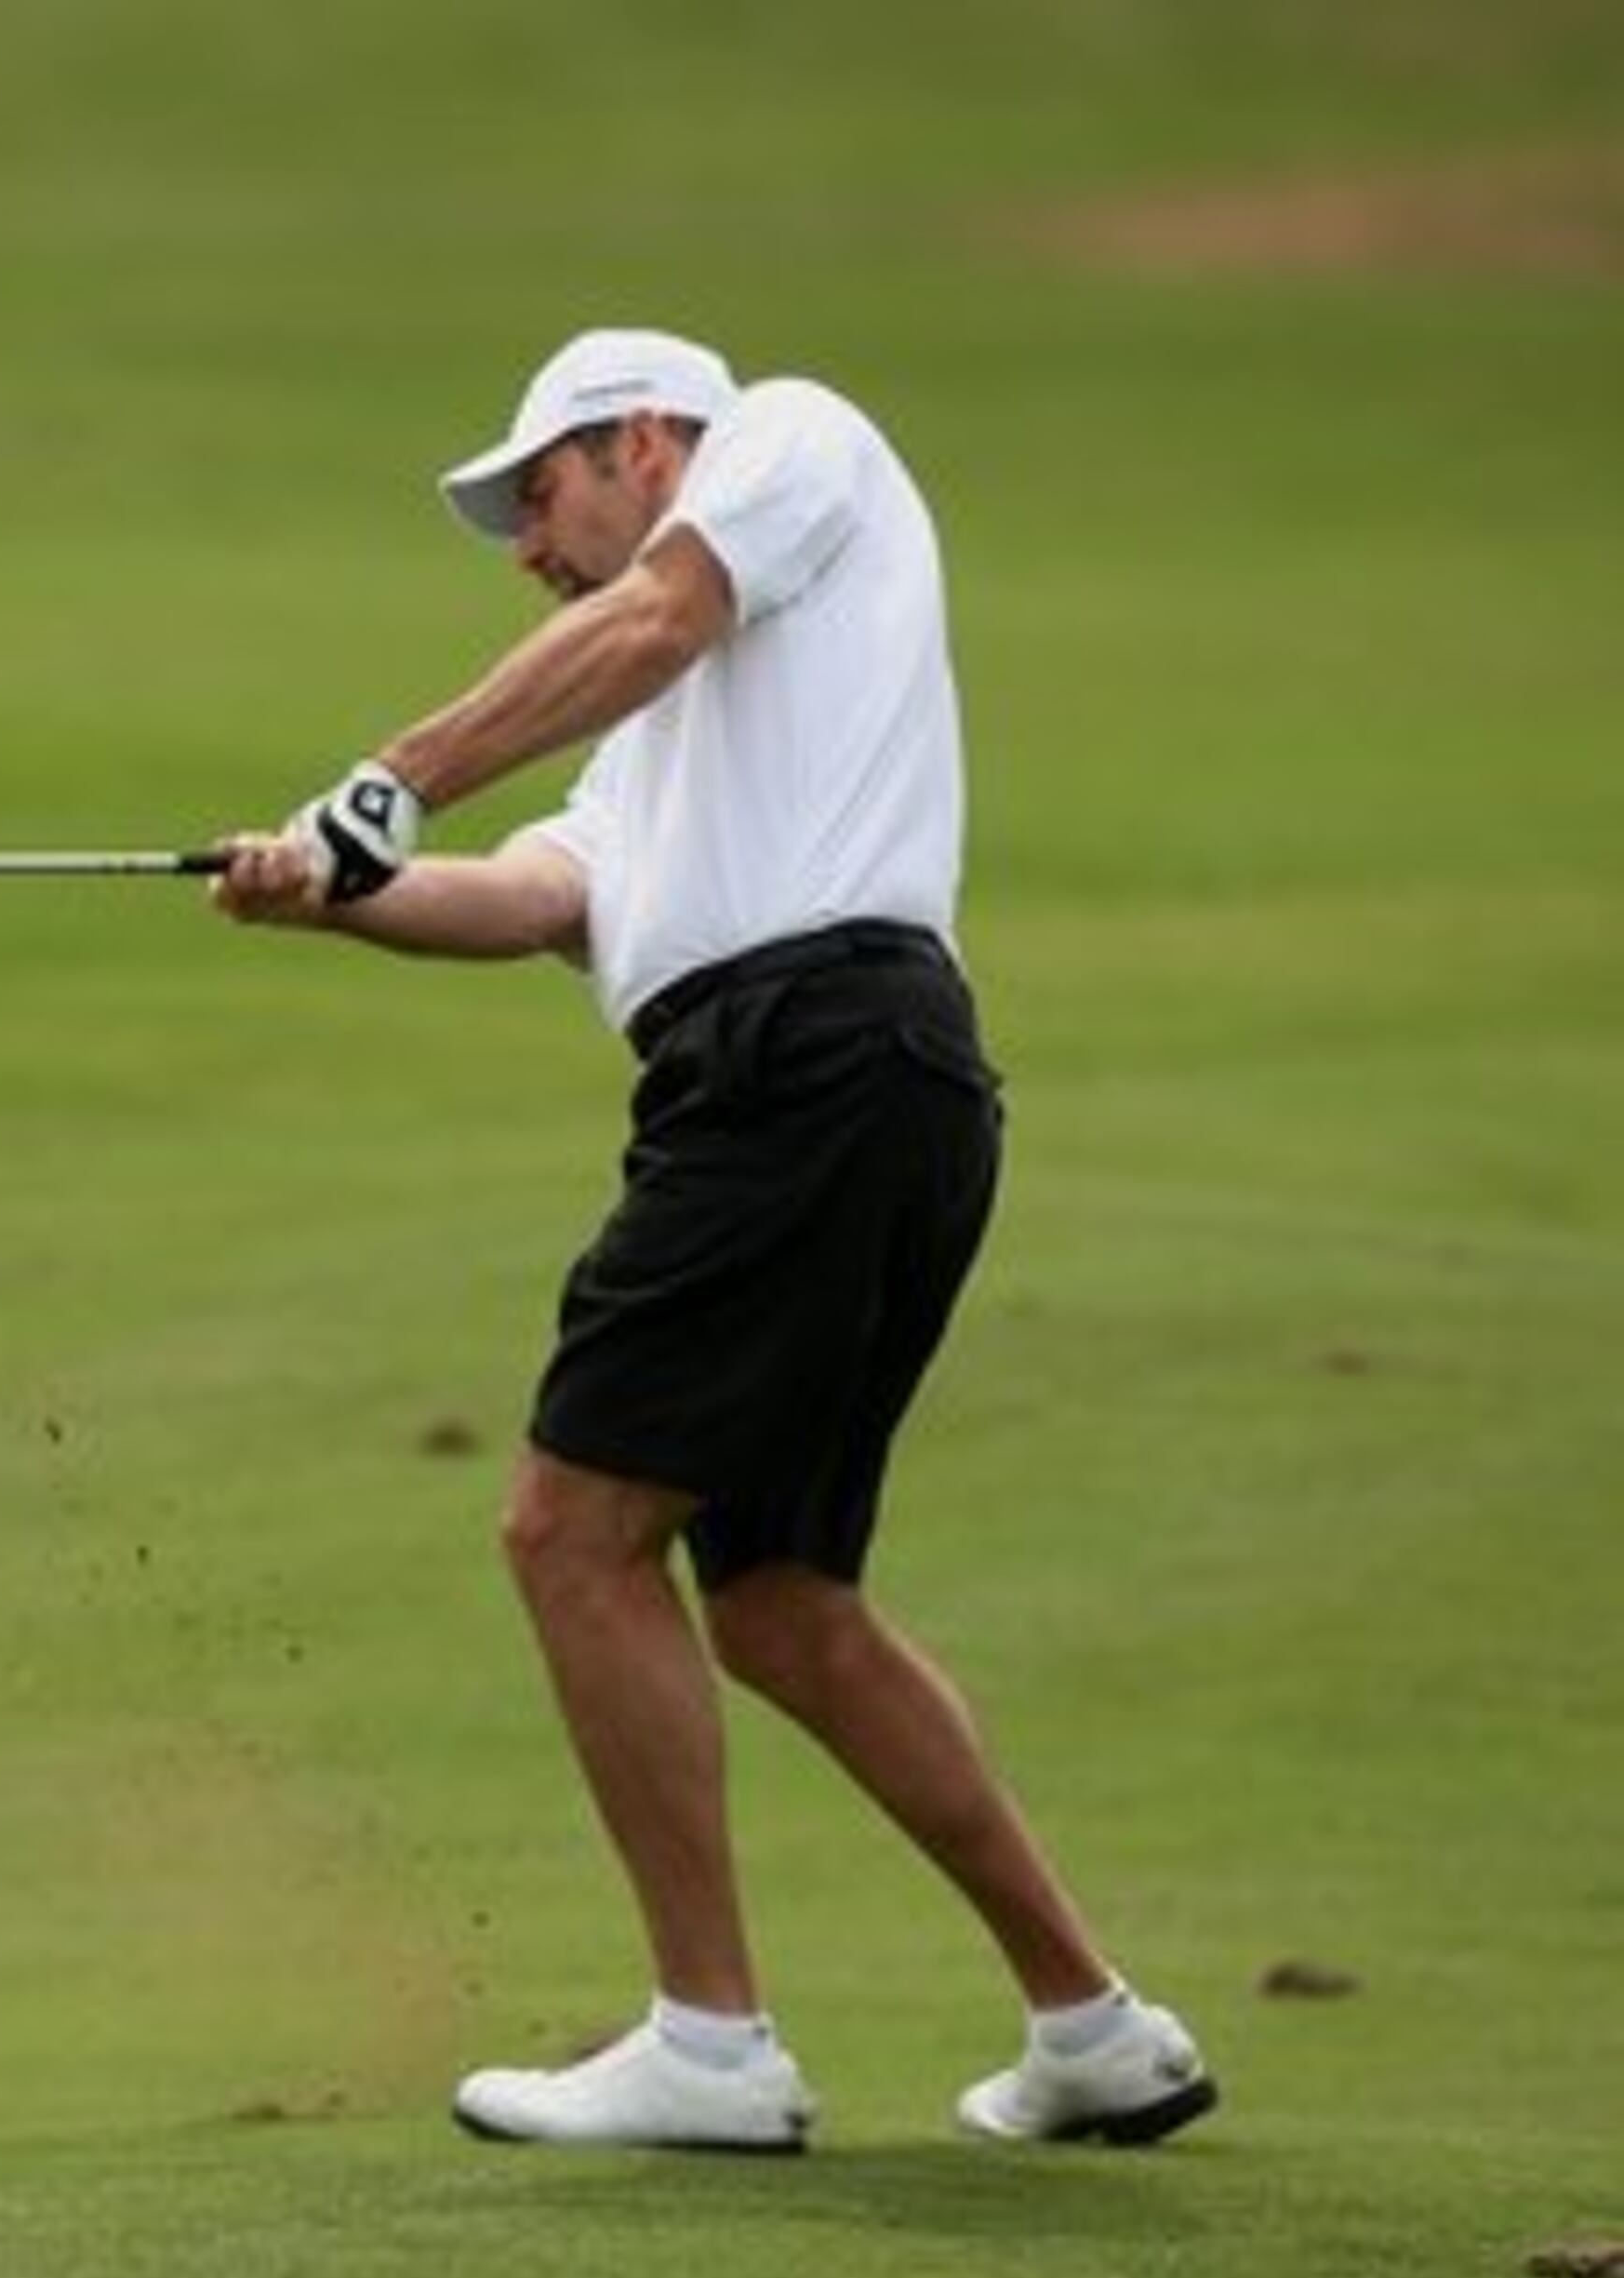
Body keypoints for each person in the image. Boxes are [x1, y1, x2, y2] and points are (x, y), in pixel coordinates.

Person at [210, 330, 1217, 2153]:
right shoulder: (660, 736)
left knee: (570, 1529)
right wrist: (326, 891)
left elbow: (652, 619)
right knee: (778, 1606)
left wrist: (394, 773)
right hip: (864, 1091)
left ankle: (713, 2045)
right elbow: (533, 898)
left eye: (544, 490)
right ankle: (1095, 2026)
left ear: (652, 436)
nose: (527, 539)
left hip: (809, 1067)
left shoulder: (794, 442)